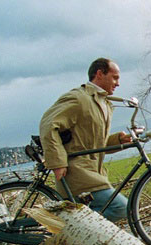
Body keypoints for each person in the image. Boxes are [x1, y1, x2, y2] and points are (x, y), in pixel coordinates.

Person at [38, 57, 132, 221]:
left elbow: (93, 144)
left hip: (91, 174)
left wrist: (118, 141)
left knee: (87, 217)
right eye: (115, 77)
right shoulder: (79, 98)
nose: (118, 83)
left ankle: (74, 236)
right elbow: (48, 125)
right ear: (99, 74)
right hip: (77, 173)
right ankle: (70, 234)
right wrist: (58, 163)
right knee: (121, 208)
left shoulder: (102, 103)